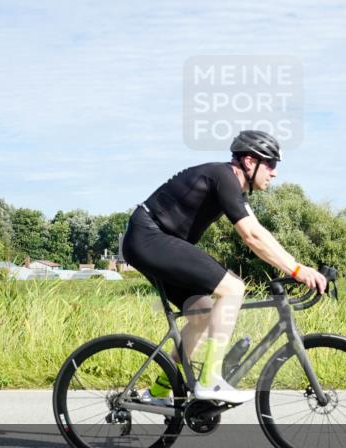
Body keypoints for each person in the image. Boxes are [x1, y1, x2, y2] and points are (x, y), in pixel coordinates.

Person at [121, 130, 328, 405]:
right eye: (271, 164)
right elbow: (251, 238)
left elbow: (259, 232)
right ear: (250, 162)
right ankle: (209, 380)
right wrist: (297, 271)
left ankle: (159, 391)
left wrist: (299, 267)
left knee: (202, 313)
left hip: (152, 240)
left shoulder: (231, 186)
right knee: (233, 287)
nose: (275, 173)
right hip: (148, 237)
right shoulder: (224, 177)